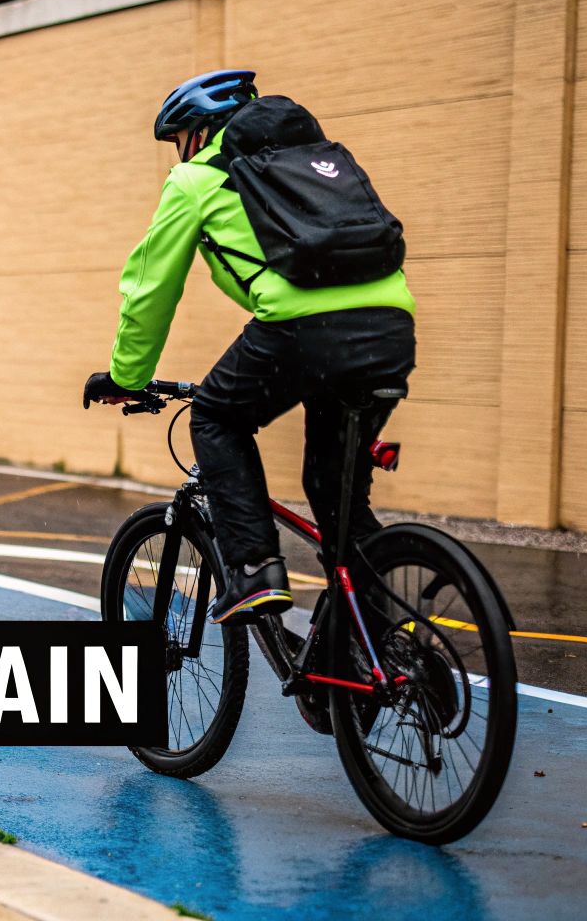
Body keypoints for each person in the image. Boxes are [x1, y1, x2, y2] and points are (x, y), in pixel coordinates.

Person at [83, 70, 416, 626]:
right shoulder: (313, 165)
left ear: (197, 132)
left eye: (178, 141)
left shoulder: (194, 179)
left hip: (302, 331)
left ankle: (254, 568)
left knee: (216, 416)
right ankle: (378, 650)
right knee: (335, 498)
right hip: (390, 328)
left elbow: (150, 289)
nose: (178, 155)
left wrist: (127, 377)